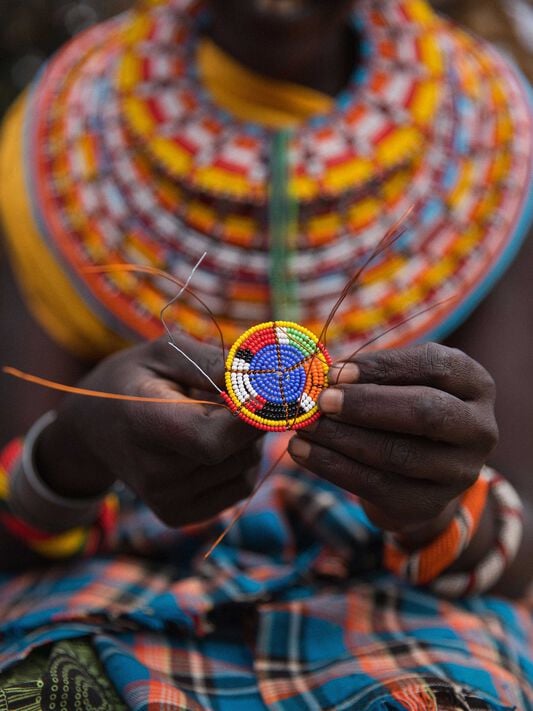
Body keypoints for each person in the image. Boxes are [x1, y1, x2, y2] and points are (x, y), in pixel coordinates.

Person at [0, 0, 532, 708]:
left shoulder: (493, 145)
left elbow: (519, 552)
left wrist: (438, 507)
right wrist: (74, 444)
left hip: (406, 617)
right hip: (101, 604)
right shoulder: (60, 136)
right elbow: (12, 538)